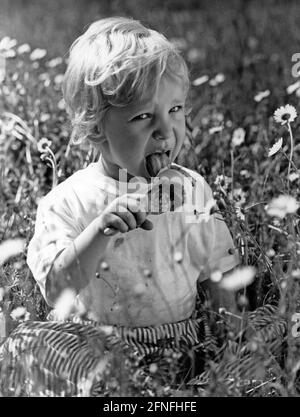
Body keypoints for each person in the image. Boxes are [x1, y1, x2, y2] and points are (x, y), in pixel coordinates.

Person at [0, 16, 240, 396]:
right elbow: (57, 289)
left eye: (175, 110)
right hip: (98, 349)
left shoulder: (192, 189)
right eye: (144, 116)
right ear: (96, 129)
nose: (166, 131)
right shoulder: (69, 200)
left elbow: (218, 274)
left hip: (183, 342)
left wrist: (233, 344)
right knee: (26, 348)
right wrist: (100, 230)